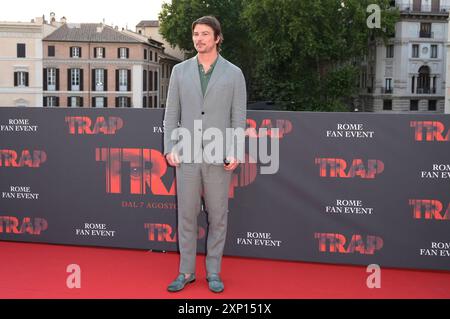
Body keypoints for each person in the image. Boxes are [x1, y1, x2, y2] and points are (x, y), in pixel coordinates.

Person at [163, 15, 247, 293]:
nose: (199, 39)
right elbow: (171, 114)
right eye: (196, 34)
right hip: (186, 155)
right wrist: (170, 147)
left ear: (217, 38)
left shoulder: (234, 74)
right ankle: (185, 271)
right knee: (186, 215)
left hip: (218, 155)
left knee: (218, 216)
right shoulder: (179, 71)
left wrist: (235, 150)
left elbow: (239, 119)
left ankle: (213, 272)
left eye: (205, 34)